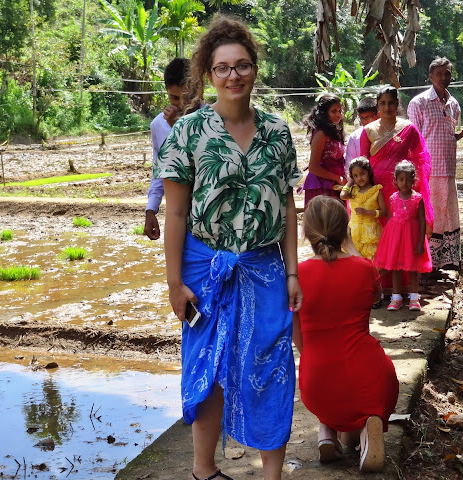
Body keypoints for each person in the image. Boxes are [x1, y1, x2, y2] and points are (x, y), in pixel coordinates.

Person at [153, 15, 303, 480]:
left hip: (264, 267)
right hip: (204, 268)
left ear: (254, 69)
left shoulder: (278, 133)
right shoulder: (189, 132)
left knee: (272, 364)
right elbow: (175, 214)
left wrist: (294, 272)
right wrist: (174, 283)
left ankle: (272, 475)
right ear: (208, 74)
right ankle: (204, 471)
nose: (233, 75)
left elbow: (289, 210)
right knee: (209, 366)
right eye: (222, 67)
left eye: (241, 65)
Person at [293, 195, 399, 473]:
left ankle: (327, 431)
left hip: (317, 382)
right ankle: (366, 431)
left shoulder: (296, 276)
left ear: (306, 232)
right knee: (365, 396)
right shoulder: (365, 268)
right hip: (369, 376)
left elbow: (299, 340)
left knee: (332, 393)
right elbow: (373, 299)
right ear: (346, 229)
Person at [360, 85, 433, 295]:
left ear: (397, 104)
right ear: (377, 105)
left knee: (404, 234)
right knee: (380, 235)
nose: (387, 107)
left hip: (403, 191)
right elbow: (364, 162)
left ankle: (406, 286)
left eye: (391, 102)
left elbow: (421, 156)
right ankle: (382, 286)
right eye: (382, 103)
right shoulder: (369, 130)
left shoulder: (408, 128)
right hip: (377, 192)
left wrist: (417, 185)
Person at [407, 57, 463, 272]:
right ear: (430, 76)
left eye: (447, 73)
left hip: (448, 170)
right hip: (428, 171)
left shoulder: (453, 103)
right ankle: (428, 262)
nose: (444, 77)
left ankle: (447, 260)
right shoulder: (419, 103)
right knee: (431, 215)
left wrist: (462, 133)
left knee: (447, 213)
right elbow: (412, 139)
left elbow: (448, 137)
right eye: (440, 74)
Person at [374, 161, 432, 311]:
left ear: (414, 180)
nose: (404, 183)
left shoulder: (418, 199)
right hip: (396, 239)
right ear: (396, 180)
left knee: (413, 268)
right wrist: (387, 242)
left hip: (412, 239)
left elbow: (421, 221)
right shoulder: (393, 198)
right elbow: (388, 222)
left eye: (408, 179)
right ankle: (396, 297)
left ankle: (414, 297)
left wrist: (420, 242)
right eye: (401, 179)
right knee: (396, 267)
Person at [144, 57, 191, 240]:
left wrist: (178, 128)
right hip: (177, 218)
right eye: (174, 97)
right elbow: (159, 169)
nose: (181, 104)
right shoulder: (158, 125)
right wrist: (151, 209)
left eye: (186, 97)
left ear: (199, 89)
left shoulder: (214, 120)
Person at [300, 94, 347, 207]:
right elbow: (313, 167)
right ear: (325, 113)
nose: (338, 115)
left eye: (340, 111)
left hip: (335, 186)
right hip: (321, 188)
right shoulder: (321, 134)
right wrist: (337, 178)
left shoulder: (334, 132)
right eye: (334, 111)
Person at [339, 157, 386, 260]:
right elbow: (342, 195)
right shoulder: (353, 191)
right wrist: (351, 181)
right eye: (355, 176)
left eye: (362, 174)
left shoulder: (376, 190)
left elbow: (383, 212)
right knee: (354, 259)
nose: (359, 178)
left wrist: (367, 212)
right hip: (354, 231)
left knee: (371, 260)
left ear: (368, 172)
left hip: (371, 231)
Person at [344, 96, 379, 167]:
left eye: (367, 117)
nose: (364, 121)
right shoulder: (354, 137)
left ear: (378, 115)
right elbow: (349, 163)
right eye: (361, 118)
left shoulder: (386, 133)